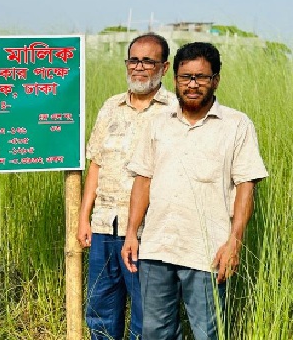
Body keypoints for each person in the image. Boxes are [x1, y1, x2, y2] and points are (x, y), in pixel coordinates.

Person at [121, 42, 268, 339]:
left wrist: (234, 242)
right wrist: (131, 233)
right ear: (174, 79)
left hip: (208, 252)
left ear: (215, 80)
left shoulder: (236, 125)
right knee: (154, 331)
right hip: (157, 247)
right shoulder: (158, 123)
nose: (192, 85)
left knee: (207, 332)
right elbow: (143, 180)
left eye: (201, 78)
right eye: (185, 77)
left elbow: (245, 186)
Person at [77, 33, 177, 340]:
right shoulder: (111, 106)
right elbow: (96, 164)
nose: (139, 67)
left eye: (149, 61)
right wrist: (84, 217)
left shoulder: (174, 109)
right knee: (101, 309)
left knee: (149, 316)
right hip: (105, 226)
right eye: (134, 59)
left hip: (150, 232)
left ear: (165, 67)